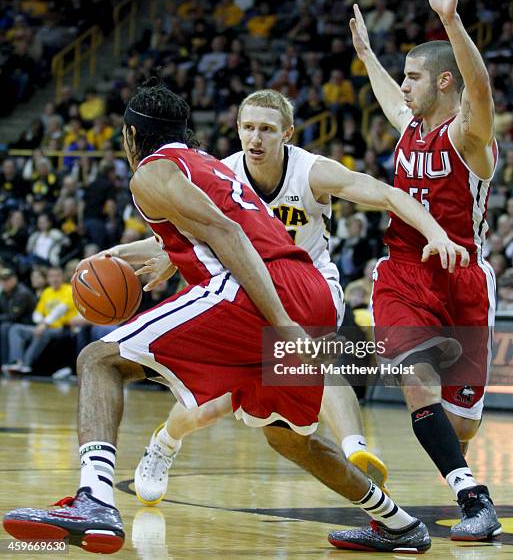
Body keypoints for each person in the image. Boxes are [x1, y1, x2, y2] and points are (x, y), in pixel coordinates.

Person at [4, 82, 442, 555]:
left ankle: (94, 501)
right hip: (307, 285)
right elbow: (218, 229)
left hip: (256, 292)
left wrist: (281, 323)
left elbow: (227, 232)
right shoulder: (210, 165)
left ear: (131, 136)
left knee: (98, 359)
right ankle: (397, 523)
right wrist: (150, 254)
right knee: (289, 438)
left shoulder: (152, 173)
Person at [126, 89, 464, 513]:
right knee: (212, 407)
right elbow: (188, 234)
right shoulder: (219, 173)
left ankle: (355, 449)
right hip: (245, 290)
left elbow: (389, 195)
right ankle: (165, 441)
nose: (256, 138)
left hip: (308, 285)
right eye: (248, 127)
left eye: (267, 129)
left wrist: (435, 233)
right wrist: (155, 257)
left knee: (319, 355)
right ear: (237, 130)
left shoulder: (311, 172)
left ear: (286, 133)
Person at [333, 0, 501, 546]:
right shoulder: (408, 125)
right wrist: (369, 58)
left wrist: (453, 22)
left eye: (414, 78)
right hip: (403, 273)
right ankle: (460, 505)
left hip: (463, 284)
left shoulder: (469, 138)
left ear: (444, 82)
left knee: (458, 424)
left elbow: (480, 89)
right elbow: (387, 94)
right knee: (414, 380)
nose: (404, 88)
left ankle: (450, 495)